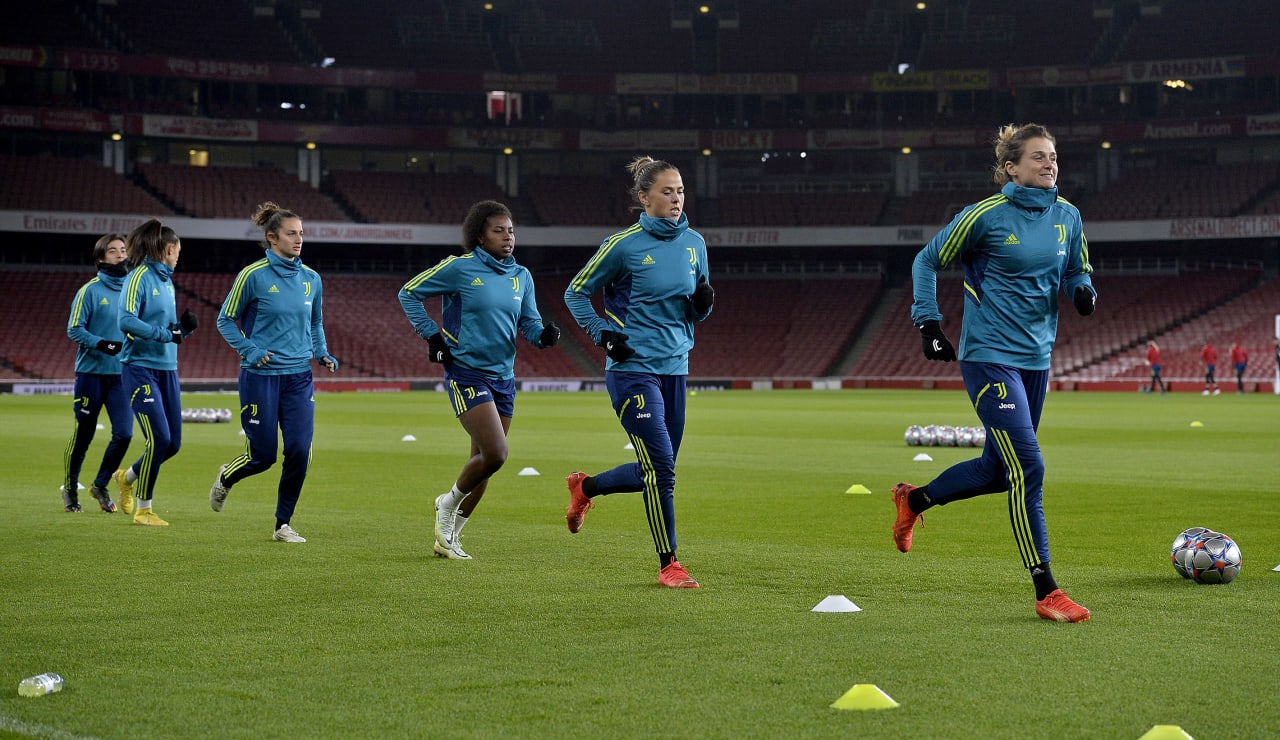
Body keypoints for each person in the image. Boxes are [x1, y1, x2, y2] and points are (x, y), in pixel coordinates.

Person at [891, 124, 1096, 622]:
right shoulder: (984, 216)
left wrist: (1084, 289)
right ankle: (1046, 589)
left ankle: (913, 500)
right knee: (1029, 468)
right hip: (988, 358)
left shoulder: (1067, 215)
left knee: (996, 472)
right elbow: (926, 259)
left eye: (1053, 157)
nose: (1050, 164)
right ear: (1011, 167)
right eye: (1038, 157)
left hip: (1036, 361)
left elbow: (1076, 268)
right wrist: (928, 322)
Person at [562, 156, 714, 589]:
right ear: (644, 198)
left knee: (658, 470)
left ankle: (585, 488)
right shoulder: (622, 246)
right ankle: (670, 563)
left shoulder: (695, 244)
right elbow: (576, 292)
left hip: (676, 369)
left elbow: (697, 311)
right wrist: (603, 333)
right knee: (662, 470)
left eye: (680, 191)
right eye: (667, 192)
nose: (676, 199)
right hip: (632, 371)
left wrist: (703, 304)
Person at [399, 200, 560, 560]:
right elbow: (408, 293)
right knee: (497, 453)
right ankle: (446, 504)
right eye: (498, 230)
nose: (508, 237)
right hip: (466, 371)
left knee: (484, 461)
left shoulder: (522, 276)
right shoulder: (460, 269)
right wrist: (432, 335)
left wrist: (543, 336)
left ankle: (450, 537)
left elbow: (529, 324)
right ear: (479, 236)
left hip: (504, 377)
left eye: (511, 230)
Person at [209, 203, 339, 543]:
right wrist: (250, 349)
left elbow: (315, 322)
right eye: (291, 233)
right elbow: (225, 320)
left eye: (301, 233)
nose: (299, 239)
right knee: (263, 455)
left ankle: (283, 523)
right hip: (260, 377)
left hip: (299, 378)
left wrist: (321, 351)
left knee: (299, 449)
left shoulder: (312, 279)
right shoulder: (252, 276)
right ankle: (227, 477)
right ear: (271, 238)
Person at [114, 219, 197, 526]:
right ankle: (144, 510)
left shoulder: (166, 281)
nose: (178, 256)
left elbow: (165, 331)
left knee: (172, 444)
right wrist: (166, 334)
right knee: (159, 439)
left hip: (167, 370)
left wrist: (181, 331)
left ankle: (127, 476)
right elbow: (126, 321)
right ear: (169, 248)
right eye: (178, 251)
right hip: (139, 370)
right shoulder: (139, 277)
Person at [61, 233, 131, 513]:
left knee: (124, 433)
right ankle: (69, 489)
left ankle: (100, 484)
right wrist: (102, 343)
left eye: (123, 250)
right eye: (113, 251)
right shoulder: (89, 291)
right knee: (84, 434)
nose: (121, 255)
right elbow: (74, 329)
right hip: (91, 374)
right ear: (101, 258)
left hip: (122, 375)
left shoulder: (131, 289)